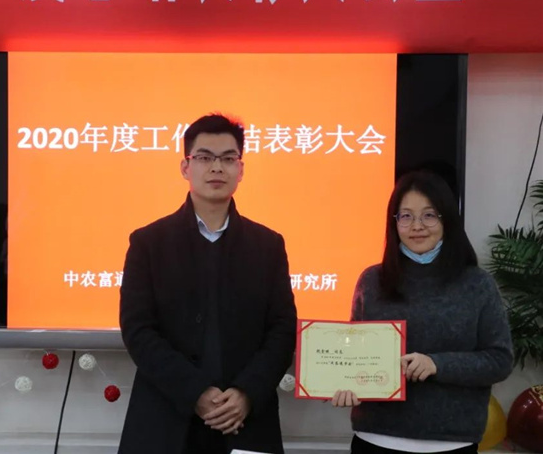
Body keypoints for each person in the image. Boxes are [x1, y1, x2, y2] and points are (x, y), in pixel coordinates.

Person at [118, 113, 297, 454]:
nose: (217, 167)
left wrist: (247, 393)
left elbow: (282, 329)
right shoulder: (148, 243)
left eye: (228, 158)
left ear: (240, 170)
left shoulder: (268, 245)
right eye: (204, 157)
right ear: (185, 167)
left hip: (245, 419)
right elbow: (138, 330)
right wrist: (195, 392)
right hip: (164, 420)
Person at [332, 170, 514, 454]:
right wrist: (345, 384)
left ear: (446, 219)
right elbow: (354, 357)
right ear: (394, 223)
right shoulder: (372, 281)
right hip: (375, 437)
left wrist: (436, 364)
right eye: (406, 216)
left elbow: (500, 360)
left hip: (452, 441)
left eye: (429, 215)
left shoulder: (477, 284)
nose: (417, 226)